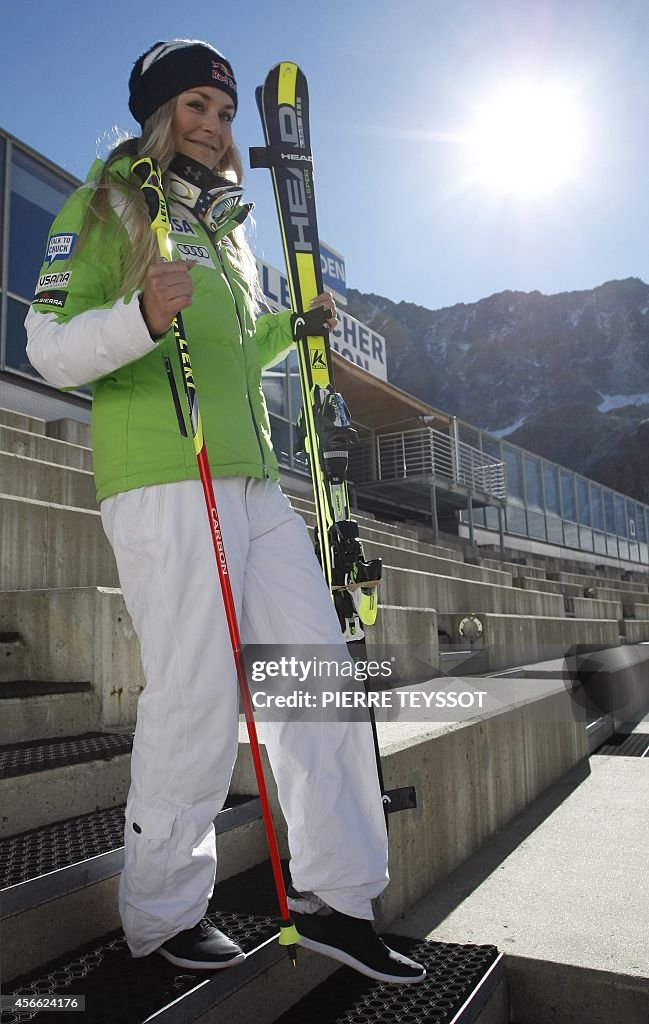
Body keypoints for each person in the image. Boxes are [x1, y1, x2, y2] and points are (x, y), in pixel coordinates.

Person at [26, 39, 425, 985]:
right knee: (199, 696)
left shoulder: (227, 232)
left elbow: (236, 360)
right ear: (158, 114)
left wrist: (293, 329)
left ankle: (338, 900)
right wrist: (139, 320)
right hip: (163, 481)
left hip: (253, 483)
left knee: (314, 683)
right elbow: (46, 345)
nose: (211, 127)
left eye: (222, 109)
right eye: (194, 107)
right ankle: (162, 914)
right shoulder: (103, 207)